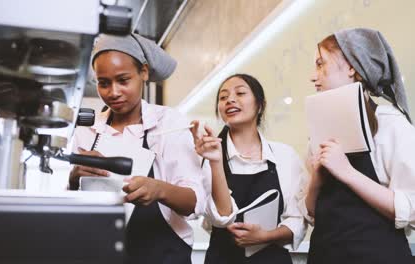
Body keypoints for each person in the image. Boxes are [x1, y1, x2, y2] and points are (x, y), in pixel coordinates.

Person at [68, 33, 206, 264]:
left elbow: (195, 203)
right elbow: (78, 206)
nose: (113, 92)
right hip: (101, 251)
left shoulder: (169, 123)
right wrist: (74, 181)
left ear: (143, 72)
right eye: (104, 83)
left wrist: (159, 189)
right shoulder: (88, 130)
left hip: (163, 254)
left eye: (123, 80)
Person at [300, 28, 415, 264]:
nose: (314, 76)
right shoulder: (319, 132)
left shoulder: (390, 124)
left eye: (321, 64)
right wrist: (317, 180)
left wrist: (347, 172)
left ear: (352, 67)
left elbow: (411, 209)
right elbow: (311, 213)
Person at [191, 74, 307, 263]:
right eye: (223, 97)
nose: (230, 100)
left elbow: (297, 219)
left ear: (260, 105)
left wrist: (266, 236)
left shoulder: (285, 155)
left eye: (240, 93)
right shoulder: (207, 156)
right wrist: (215, 161)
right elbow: (221, 218)